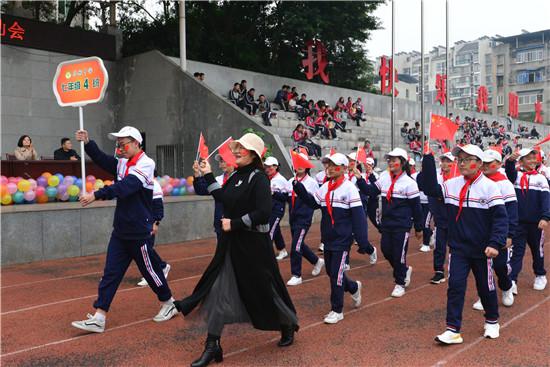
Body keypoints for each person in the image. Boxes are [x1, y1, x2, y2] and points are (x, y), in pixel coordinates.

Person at [174, 133, 299, 367]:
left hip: (254, 246)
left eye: (242, 148)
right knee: (219, 289)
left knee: (266, 289)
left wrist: (236, 223)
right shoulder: (235, 176)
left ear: (253, 154)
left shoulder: (259, 178)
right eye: (237, 148)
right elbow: (223, 198)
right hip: (231, 245)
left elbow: (264, 211)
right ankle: (212, 346)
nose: (237, 151)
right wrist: (208, 173)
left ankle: (286, 324)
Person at [71, 126, 176, 334]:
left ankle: (168, 302)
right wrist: (88, 143)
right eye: (118, 144)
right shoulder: (122, 162)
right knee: (110, 273)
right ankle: (99, 316)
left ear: (137, 143)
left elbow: (125, 187)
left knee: (150, 271)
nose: (120, 148)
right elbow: (102, 159)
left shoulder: (146, 164)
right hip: (120, 230)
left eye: (124, 144)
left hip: (139, 231)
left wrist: (96, 195)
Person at [422, 144, 508, 344]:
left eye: (466, 159)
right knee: (455, 286)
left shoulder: (490, 187)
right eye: (459, 159)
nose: (461, 163)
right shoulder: (452, 184)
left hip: (482, 250)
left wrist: (495, 243)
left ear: (478, 164)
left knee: (485, 287)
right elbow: (429, 188)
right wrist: (427, 158)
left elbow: (500, 218)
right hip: (458, 248)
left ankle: (492, 320)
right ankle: (453, 329)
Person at [293, 153, 367, 324]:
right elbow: (313, 203)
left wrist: (362, 241)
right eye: (328, 165)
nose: (329, 168)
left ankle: (337, 309)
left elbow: (359, 217)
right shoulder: (326, 187)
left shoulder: (349, 188)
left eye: (334, 165)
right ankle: (354, 287)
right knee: (332, 272)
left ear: (342, 168)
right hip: (328, 238)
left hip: (343, 239)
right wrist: (298, 188)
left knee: (337, 275)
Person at [358, 148, 423, 298]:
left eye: (394, 160)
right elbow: (370, 191)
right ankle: (404, 270)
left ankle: (400, 283)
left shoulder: (409, 183)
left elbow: (416, 207)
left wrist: (419, 228)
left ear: (402, 162)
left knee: (399, 254)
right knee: (386, 251)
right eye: (389, 160)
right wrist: (360, 179)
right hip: (387, 224)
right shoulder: (385, 177)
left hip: (402, 225)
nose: (391, 163)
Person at [471, 150, 517, 310]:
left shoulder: (505, 184)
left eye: (488, 162)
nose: (484, 166)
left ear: (498, 164)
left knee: (499, 266)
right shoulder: (476, 182)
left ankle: (506, 286)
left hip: (499, 232)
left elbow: (511, 211)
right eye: (482, 162)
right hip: (481, 231)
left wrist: (509, 234)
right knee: (483, 266)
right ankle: (484, 295)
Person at [505, 148, 549, 292]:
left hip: (536, 223)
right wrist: (510, 161)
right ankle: (512, 280)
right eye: (528, 158)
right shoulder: (516, 176)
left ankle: (540, 275)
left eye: (533, 158)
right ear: (521, 161)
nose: (532, 161)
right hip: (518, 222)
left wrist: (545, 217)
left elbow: (546, 200)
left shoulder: (541, 178)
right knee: (517, 252)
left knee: (537, 251)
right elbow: (509, 173)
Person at [285, 153, 325, 286]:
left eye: (303, 163)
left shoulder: (312, 183)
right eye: (297, 163)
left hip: (304, 219)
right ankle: (316, 261)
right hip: (293, 218)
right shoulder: (291, 180)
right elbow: (286, 198)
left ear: (307, 166)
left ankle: (296, 275)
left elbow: (313, 201)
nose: (300, 166)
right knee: (299, 244)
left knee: (295, 246)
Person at [418, 152, 454, 284]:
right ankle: (439, 271)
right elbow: (423, 185)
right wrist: (425, 168)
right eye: (443, 160)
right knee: (439, 246)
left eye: (448, 161)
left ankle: (454, 269)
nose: (445, 163)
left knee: (455, 246)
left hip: (455, 219)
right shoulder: (435, 175)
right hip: (439, 218)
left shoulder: (457, 177)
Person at [137, 175, 172, 287]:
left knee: (146, 248)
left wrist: (156, 223)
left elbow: (158, 205)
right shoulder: (137, 181)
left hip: (149, 221)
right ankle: (161, 267)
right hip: (138, 221)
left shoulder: (153, 184)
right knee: (142, 249)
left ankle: (158, 270)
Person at [193, 155, 236, 241]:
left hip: (235, 224)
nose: (221, 164)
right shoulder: (218, 180)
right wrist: (197, 174)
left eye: (223, 161)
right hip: (220, 223)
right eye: (220, 162)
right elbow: (201, 190)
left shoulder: (239, 179)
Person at [264, 157, 289, 261]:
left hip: (277, 210)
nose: (267, 169)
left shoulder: (281, 180)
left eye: (270, 166)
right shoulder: (266, 178)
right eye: (266, 166)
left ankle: (266, 255)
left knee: (270, 231)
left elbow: (286, 197)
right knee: (276, 230)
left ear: (276, 167)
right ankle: (282, 250)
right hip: (268, 208)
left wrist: (274, 193)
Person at [410, 157, 433, 253]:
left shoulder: (432, 175)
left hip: (429, 203)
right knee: (420, 221)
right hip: (420, 201)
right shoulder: (418, 175)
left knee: (425, 223)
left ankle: (426, 244)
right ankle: (431, 234)